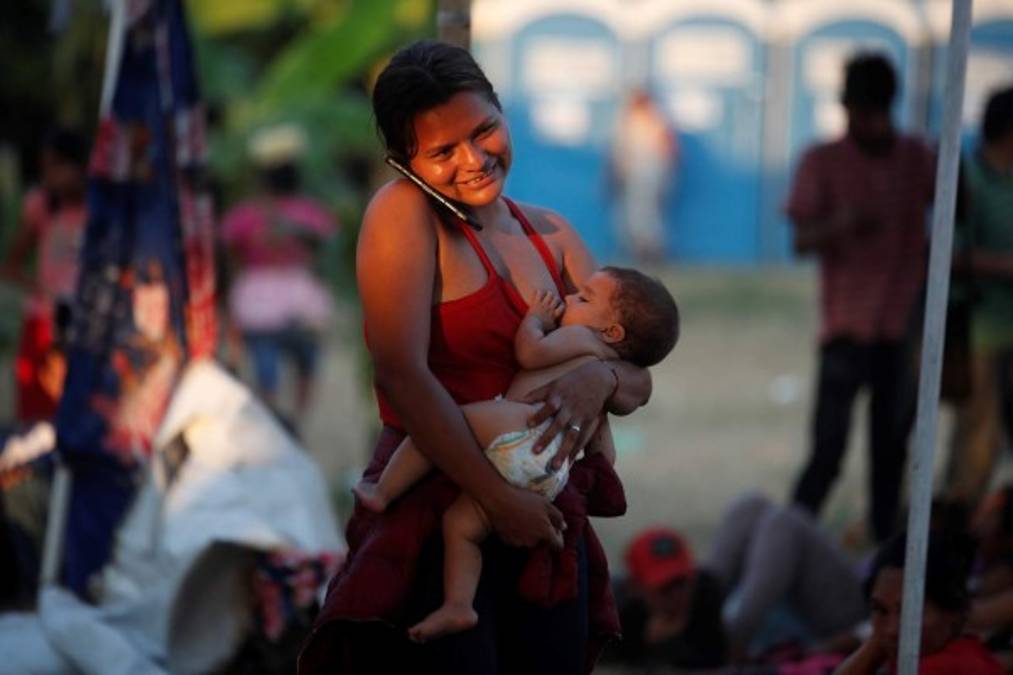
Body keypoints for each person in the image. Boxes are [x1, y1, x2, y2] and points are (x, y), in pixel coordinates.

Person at [298, 40, 652, 675]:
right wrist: (496, 500)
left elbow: (637, 376)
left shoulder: (552, 234)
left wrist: (599, 378)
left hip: (545, 515)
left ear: (500, 108)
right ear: (404, 161)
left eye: (484, 130)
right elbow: (401, 375)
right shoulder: (402, 214)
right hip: (437, 518)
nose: (474, 160)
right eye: (442, 152)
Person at [353, 268, 679, 642]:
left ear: (612, 332)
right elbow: (604, 451)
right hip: (550, 473)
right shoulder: (604, 365)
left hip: (521, 427)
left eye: (583, 298)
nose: (569, 298)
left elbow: (530, 352)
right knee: (462, 526)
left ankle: (383, 491)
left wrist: (535, 320)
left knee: (440, 427)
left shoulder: (580, 337)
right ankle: (459, 605)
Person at [787, 53, 935, 543]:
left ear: (887, 108)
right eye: (853, 111)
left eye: (868, 113)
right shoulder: (822, 160)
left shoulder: (920, 158)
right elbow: (800, 240)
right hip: (846, 327)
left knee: (891, 453)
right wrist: (842, 223)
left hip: (902, 328)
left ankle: (884, 549)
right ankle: (789, 539)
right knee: (827, 452)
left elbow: (958, 212)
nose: (859, 122)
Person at [220, 123, 336, 427]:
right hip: (292, 299)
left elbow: (232, 254)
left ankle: (280, 420)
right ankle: (289, 419)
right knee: (297, 360)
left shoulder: (249, 213)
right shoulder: (306, 212)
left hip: (262, 300)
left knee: (273, 363)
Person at [945, 85, 1013, 509]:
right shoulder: (967, 179)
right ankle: (958, 523)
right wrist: (1003, 266)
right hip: (979, 332)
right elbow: (946, 256)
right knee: (977, 442)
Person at [706, 492, 867, 661]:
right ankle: (702, 612)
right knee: (750, 506)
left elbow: (870, 632)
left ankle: (722, 638)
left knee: (783, 523)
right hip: (816, 618)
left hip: (841, 628)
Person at [2, 128, 88, 422]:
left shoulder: (100, 209)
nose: (50, 176)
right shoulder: (42, 206)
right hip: (44, 323)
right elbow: (11, 265)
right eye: (46, 168)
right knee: (38, 416)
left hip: (84, 325)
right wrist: (45, 291)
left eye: (57, 166)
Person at [833, 531, 1002, 675]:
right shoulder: (960, 653)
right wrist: (880, 640)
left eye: (910, 612)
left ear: (953, 612)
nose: (892, 629)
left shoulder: (942, 667)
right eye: (880, 609)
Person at [608, 527, 727, 671]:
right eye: (665, 588)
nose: (678, 595)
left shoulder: (705, 593)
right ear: (636, 588)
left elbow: (716, 657)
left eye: (681, 582)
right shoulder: (617, 619)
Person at [609, 87, 678, 262]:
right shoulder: (628, 119)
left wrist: (665, 176)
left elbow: (669, 149)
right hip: (633, 175)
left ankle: (653, 251)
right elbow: (620, 152)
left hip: (651, 174)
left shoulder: (655, 118)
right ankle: (642, 251)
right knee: (633, 215)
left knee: (647, 214)